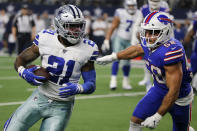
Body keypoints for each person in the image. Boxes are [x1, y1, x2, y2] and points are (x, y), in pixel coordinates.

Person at [4, 4, 98, 131]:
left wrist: (79, 88)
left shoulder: (89, 48)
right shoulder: (45, 38)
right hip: (39, 98)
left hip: (62, 107)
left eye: (79, 25)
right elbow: (20, 59)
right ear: (59, 25)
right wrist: (24, 72)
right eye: (71, 26)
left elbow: (91, 84)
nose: (77, 30)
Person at [97, 11, 194, 131]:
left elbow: (174, 91)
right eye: (146, 32)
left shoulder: (171, 51)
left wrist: (158, 116)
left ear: (166, 31)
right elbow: (136, 50)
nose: (148, 36)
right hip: (159, 89)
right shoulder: (151, 43)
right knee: (135, 120)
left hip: (180, 97)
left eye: (154, 32)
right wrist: (113, 57)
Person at [101, 0, 143, 90]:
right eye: (130, 5)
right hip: (119, 38)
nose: (131, 7)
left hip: (131, 40)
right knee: (115, 57)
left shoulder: (139, 13)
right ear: (126, 5)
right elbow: (113, 26)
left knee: (127, 60)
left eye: (133, 5)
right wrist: (107, 39)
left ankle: (125, 81)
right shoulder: (120, 12)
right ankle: (113, 80)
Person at [184, 11, 197, 93]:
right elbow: (189, 35)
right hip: (196, 52)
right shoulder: (195, 23)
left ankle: (193, 86)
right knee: (191, 72)